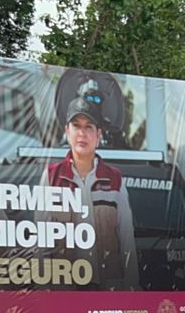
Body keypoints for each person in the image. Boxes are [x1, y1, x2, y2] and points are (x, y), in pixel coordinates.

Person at [44, 93, 137, 290]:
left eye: (89, 127)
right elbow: (41, 240)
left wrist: (131, 286)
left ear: (99, 134)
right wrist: (44, 289)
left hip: (108, 291)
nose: (82, 133)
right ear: (66, 131)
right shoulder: (51, 177)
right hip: (64, 291)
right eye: (76, 126)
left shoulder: (114, 179)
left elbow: (127, 239)